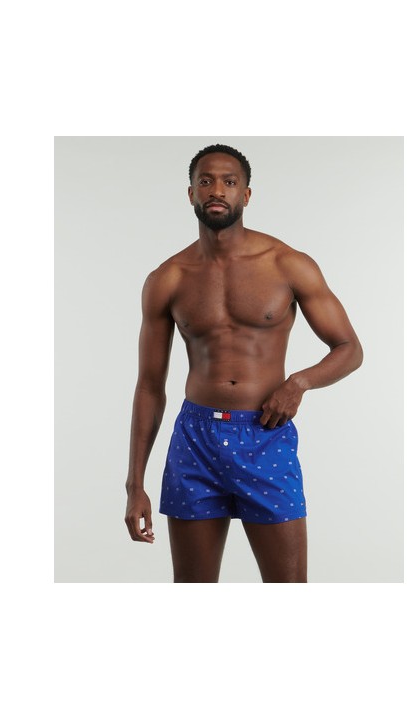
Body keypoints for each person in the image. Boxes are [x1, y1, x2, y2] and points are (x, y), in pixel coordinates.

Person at [124, 143, 363, 583]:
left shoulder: (288, 264)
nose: (217, 190)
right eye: (206, 181)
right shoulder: (167, 278)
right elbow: (149, 386)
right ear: (191, 193)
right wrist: (134, 484)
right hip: (195, 440)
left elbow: (349, 348)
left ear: (246, 194)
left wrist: (298, 383)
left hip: (265, 434)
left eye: (229, 182)